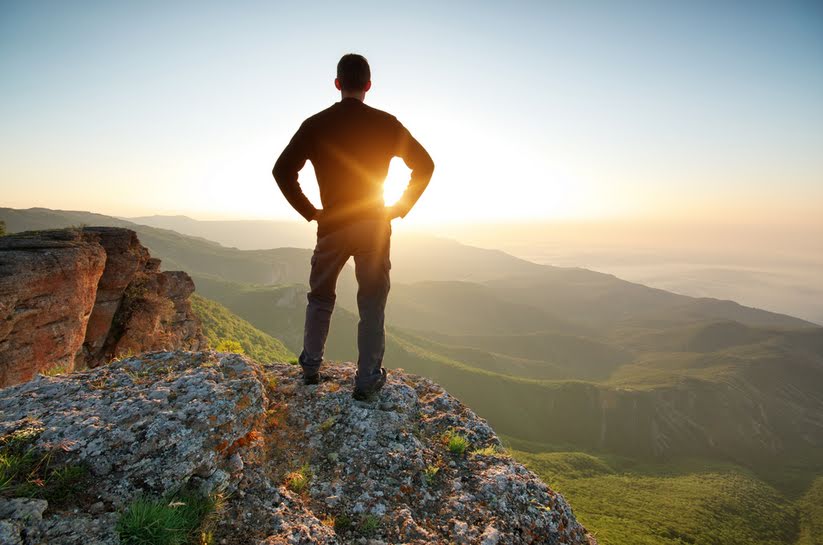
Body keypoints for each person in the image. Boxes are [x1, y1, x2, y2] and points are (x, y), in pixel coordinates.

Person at [272, 53, 434, 400]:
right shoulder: (387, 124)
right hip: (374, 227)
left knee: (320, 297)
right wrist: (400, 207)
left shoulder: (315, 124)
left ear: (337, 83)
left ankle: (311, 368)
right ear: (369, 86)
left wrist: (311, 212)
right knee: (372, 302)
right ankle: (367, 379)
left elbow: (281, 171)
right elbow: (425, 166)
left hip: (331, 226)